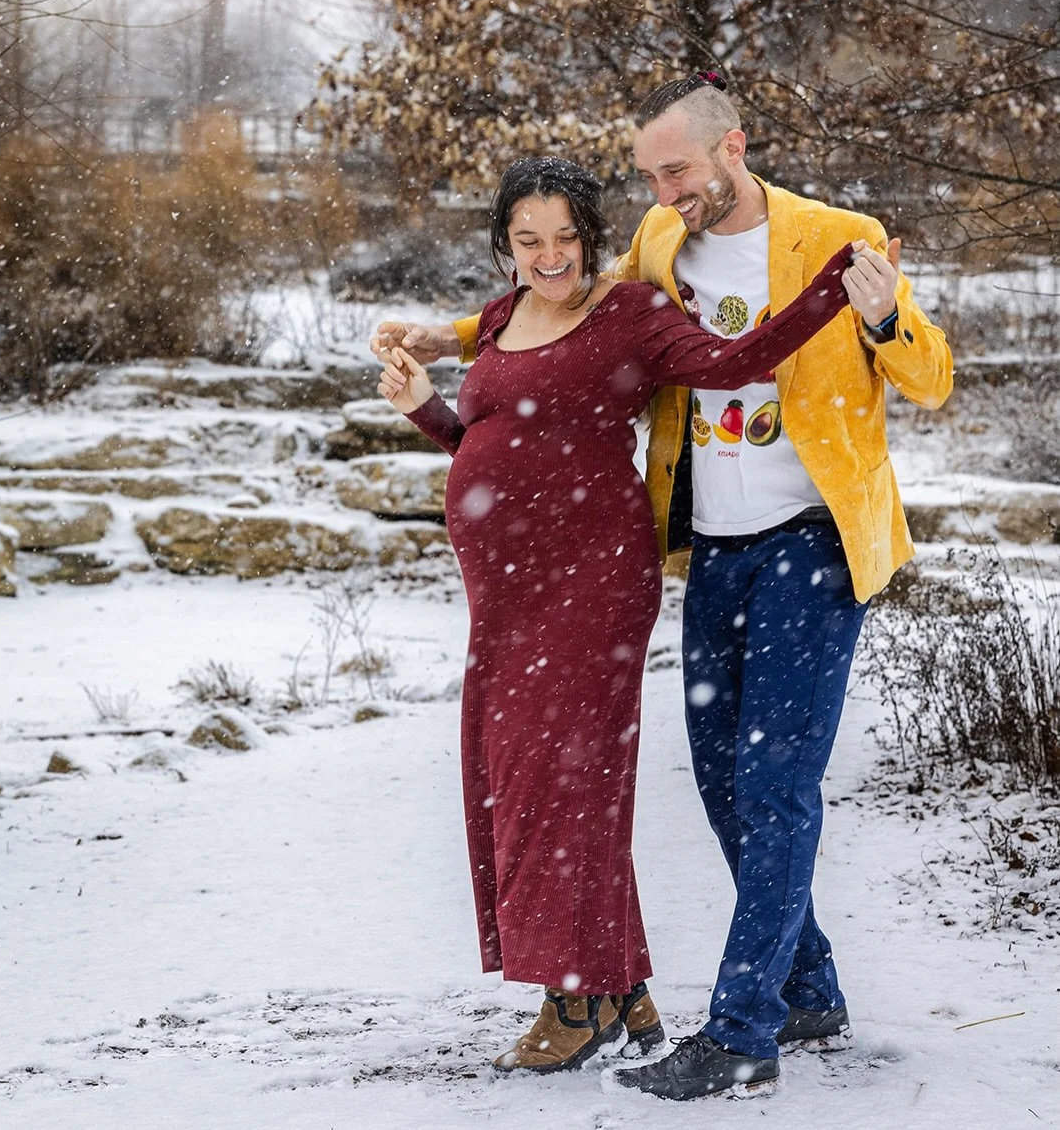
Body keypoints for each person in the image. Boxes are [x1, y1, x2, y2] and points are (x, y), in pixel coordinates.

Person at [372, 76, 953, 1099]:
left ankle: (741, 1031)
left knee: (771, 786)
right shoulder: (651, 243)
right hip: (709, 543)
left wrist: (870, 315)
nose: (659, 190)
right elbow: (552, 305)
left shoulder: (837, 234)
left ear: (731, 147)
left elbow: (927, 375)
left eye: (673, 170)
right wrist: (448, 342)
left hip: (809, 535)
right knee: (726, 785)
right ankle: (806, 984)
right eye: (646, 176)